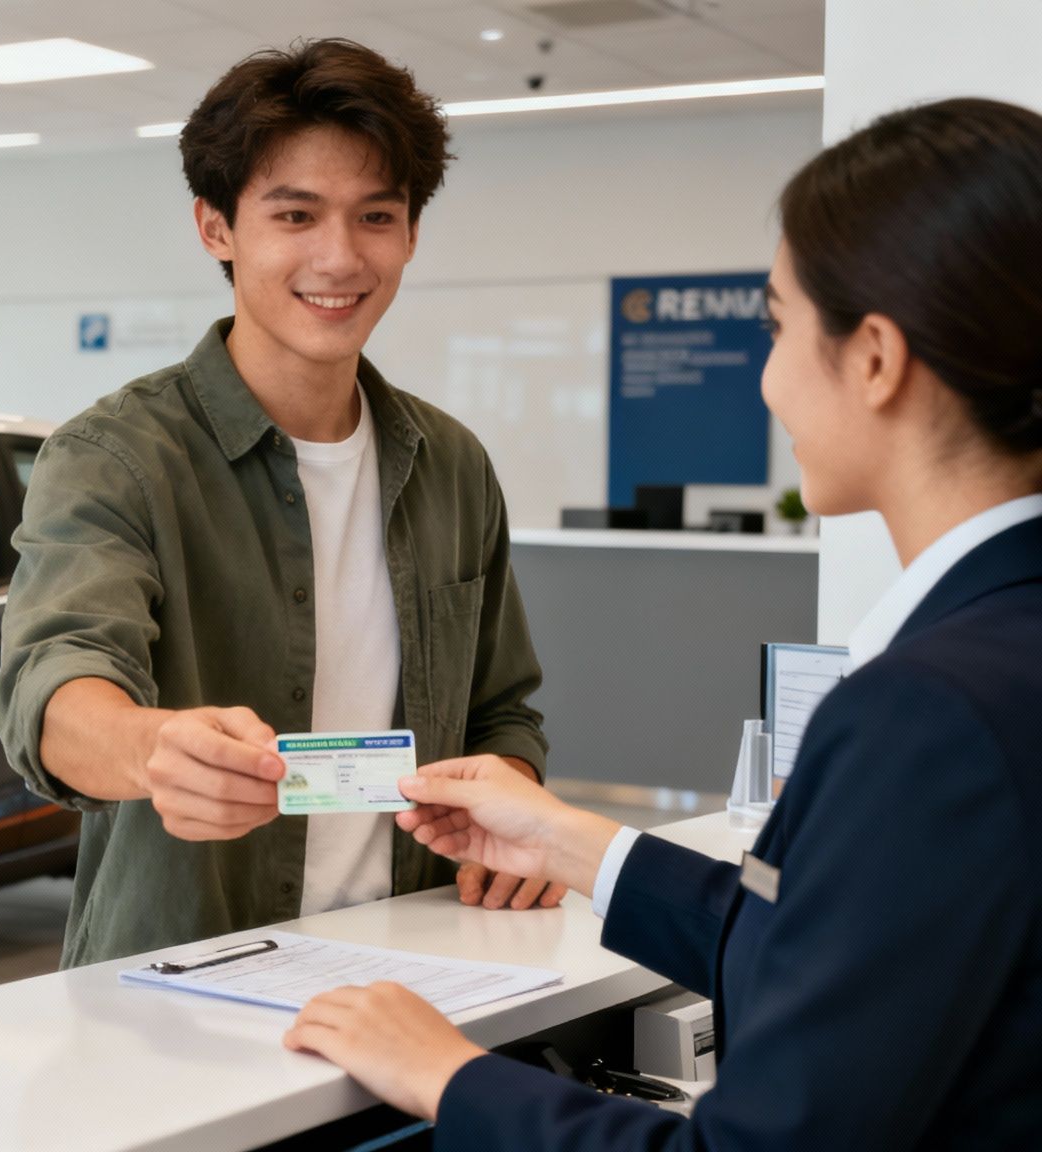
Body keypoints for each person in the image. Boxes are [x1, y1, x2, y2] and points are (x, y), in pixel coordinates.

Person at [282, 96, 1042, 1150]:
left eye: (775, 326)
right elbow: (843, 954)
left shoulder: (927, 714)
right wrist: (573, 843)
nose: (767, 377)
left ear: (872, 358)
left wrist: (449, 1078)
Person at [0, 38, 561, 972]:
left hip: (418, 966)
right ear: (216, 228)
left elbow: (504, 710)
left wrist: (517, 797)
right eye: (295, 215)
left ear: (411, 233)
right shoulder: (116, 458)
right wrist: (154, 747)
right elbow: (54, 689)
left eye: (375, 216)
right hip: (185, 981)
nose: (339, 257)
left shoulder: (451, 463)